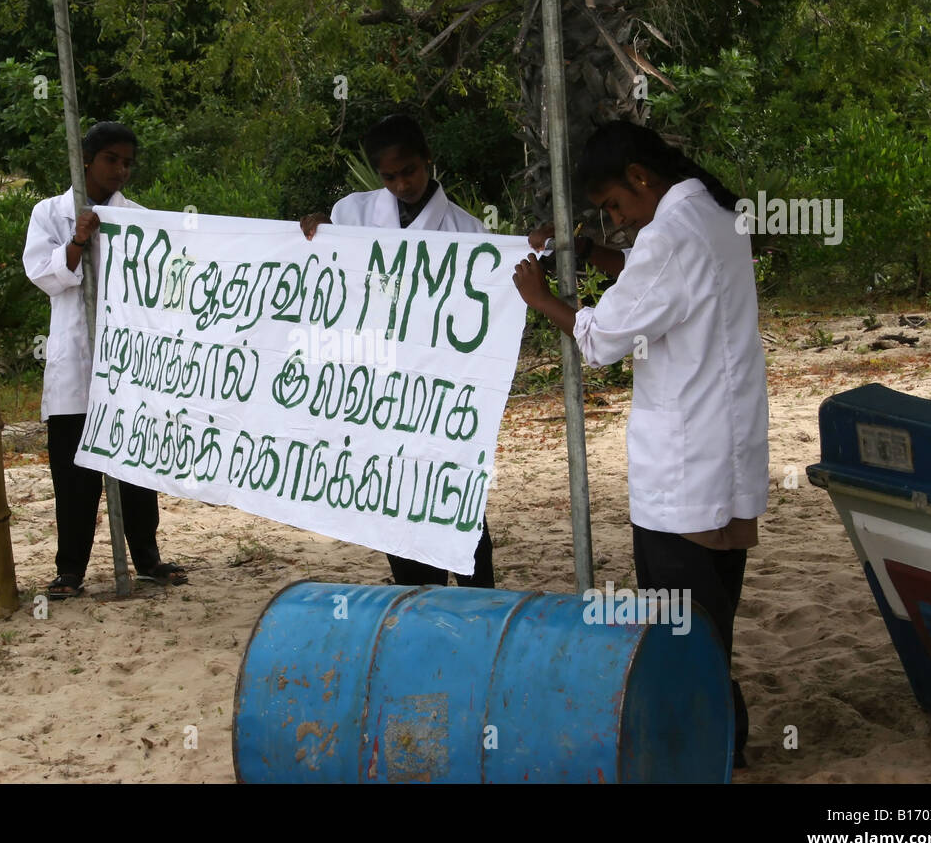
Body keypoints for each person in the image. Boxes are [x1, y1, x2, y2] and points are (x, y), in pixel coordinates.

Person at [512, 120, 768, 767]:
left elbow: (600, 340)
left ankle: (709, 743)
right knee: (714, 614)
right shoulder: (713, 217)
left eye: (616, 207)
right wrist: (597, 253)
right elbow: (657, 286)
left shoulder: (669, 237)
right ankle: (726, 739)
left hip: (682, 472)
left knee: (680, 626)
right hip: (728, 457)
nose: (619, 220)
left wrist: (540, 299)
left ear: (640, 178)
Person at [301, 114, 526, 589]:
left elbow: (486, 310)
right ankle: (417, 597)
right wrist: (315, 230)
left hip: (441, 387)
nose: (402, 184)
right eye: (389, 176)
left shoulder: (468, 233)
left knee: (454, 496)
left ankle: (476, 600)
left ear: (428, 160)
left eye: (410, 171)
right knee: (395, 499)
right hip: (380, 384)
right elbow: (330, 271)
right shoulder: (350, 215)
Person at [23, 121, 188, 597]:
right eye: (111, 159)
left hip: (126, 360)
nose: (120, 170)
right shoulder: (49, 213)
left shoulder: (137, 218)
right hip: (75, 360)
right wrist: (77, 242)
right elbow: (43, 275)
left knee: (134, 464)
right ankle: (70, 569)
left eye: (128, 162)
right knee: (73, 473)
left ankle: (148, 558)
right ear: (87, 159)